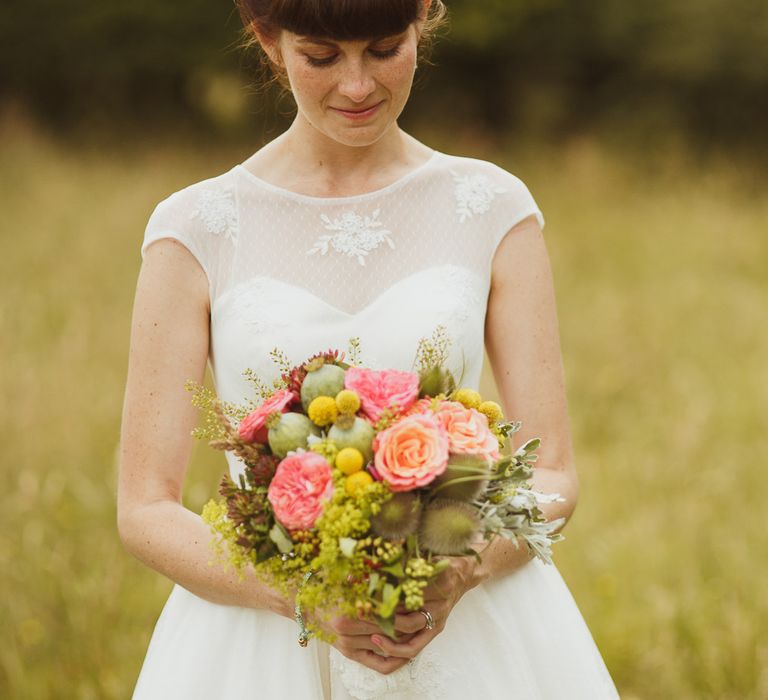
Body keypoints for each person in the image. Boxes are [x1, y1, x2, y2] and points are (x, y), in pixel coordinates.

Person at [118, 0, 620, 697]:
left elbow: (555, 472)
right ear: (268, 40)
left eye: (384, 49)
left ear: (425, 22)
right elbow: (143, 507)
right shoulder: (196, 230)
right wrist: (301, 596)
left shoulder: (492, 207)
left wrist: (460, 567)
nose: (356, 86)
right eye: (321, 57)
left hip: (468, 632)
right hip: (259, 645)